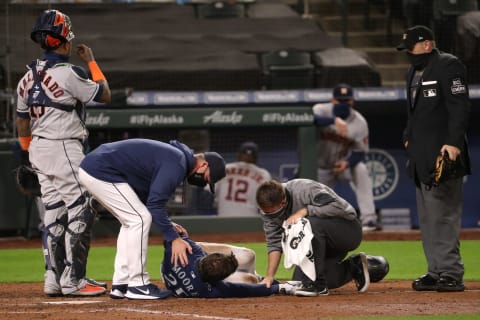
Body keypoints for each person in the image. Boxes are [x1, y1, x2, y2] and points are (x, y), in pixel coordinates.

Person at [15, 9, 111, 296]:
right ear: (63, 42)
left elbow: (21, 122)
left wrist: (27, 154)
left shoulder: (26, 78)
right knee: (82, 206)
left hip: (38, 150)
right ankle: (75, 280)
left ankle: (53, 278)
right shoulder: (70, 74)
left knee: (54, 212)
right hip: (64, 145)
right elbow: (105, 94)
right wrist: (91, 61)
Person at [77, 138, 227, 299]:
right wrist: (174, 238)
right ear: (204, 165)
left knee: (132, 221)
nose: (204, 182)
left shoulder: (177, 160)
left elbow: (148, 202)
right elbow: (155, 205)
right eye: (207, 177)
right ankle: (138, 285)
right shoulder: (177, 163)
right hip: (100, 169)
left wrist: (168, 224)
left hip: (97, 167)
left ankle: (122, 283)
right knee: (139, 219)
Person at [396, 25, 471, 292]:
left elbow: (459, 106)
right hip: (421, 157)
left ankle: (451, 272)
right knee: (428, 217)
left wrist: (452, 143)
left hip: (443, 154)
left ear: (427, 44)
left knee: (444, 216)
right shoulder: (413, 72)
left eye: (411, 47)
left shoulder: (449, 66)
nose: (408, 53)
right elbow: (413, 113)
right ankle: (435, 271)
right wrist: (407, 136)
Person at [256, 179, 374, 297]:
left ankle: (318, 286)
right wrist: (269, 276)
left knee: (306, 224)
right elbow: (274, 243)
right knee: (300, 282)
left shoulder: (304, 189)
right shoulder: (267, 212)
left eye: (272, 213)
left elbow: (343, 209)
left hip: (347, 232)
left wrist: (305, 211)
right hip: (319, 243)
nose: (269, 216)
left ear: (282, 203)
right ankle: (353, 267)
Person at [312, 83, 379, 231]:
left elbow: (361, 151)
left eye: (346, 101)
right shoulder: (321, 109)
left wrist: (347, 163)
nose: (343, 104)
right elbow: (309, 118)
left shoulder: (359, 122)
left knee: (360, 169)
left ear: (352, 102)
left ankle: (369, 219)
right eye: (339, 101)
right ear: (332, 100)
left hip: (341, 166)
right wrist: (333, 120)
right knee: (319, 208)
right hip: (319, 168)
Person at [161, 232, 298, 298]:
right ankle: (259, 278)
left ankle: (258, 278)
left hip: (172, 270)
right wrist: (278, 287)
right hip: (182, 267)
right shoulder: (209, 289)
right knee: (250, 279)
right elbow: (244, 289)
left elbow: (240, 289)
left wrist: (278, 288)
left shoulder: (206, 289)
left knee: (249, 255)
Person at [215, 141, 271, 216]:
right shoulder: (263, 174)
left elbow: (207, 193)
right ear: (256, 158)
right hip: (248, 221)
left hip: (223, 219)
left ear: (239, 155)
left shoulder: (224, 168)